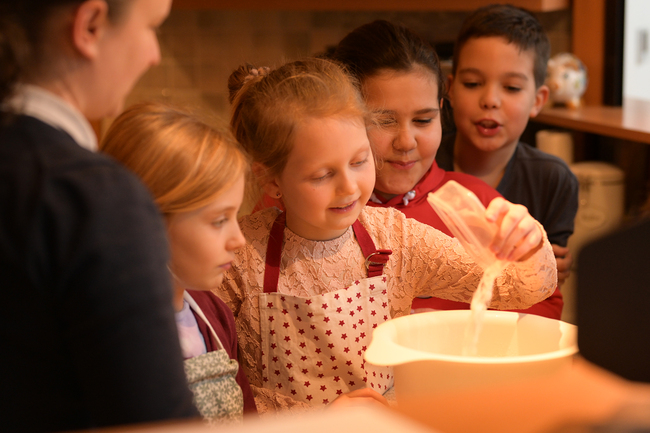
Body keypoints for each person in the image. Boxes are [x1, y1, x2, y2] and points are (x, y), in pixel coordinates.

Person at [218, 57, 557, 414]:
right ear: (271, 179)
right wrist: (318, 417)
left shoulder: (396, 237)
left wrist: (527, 245)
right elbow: (206, 394)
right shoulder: (238, 254)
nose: (348, 188)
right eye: (321, 175)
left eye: (360, 160)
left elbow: (517, 289)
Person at [0, 1, 199, 431]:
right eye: (152, 28)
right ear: (90, 25)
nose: (154, 55)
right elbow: (159, 424)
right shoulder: (92, 197)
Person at [331, 19, 564, 319]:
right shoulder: (303, 209)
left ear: (441, 110)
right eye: (384, 121)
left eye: (423, 120)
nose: (406, 142)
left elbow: (543, 306)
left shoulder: (476, 203)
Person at [101, 102, 258, 423]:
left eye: (235, 216)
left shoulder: (215, 314)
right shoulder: (109, 333)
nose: (238, 240)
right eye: (218, 220)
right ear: (148, 221)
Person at [436, 4, 579, 319]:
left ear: (538, 100)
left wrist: (548, 266)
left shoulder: (553, 179)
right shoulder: (423, 165)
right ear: (450, 89)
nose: (490, 99)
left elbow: (548, 283)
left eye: (512, 87)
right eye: (473, 83)